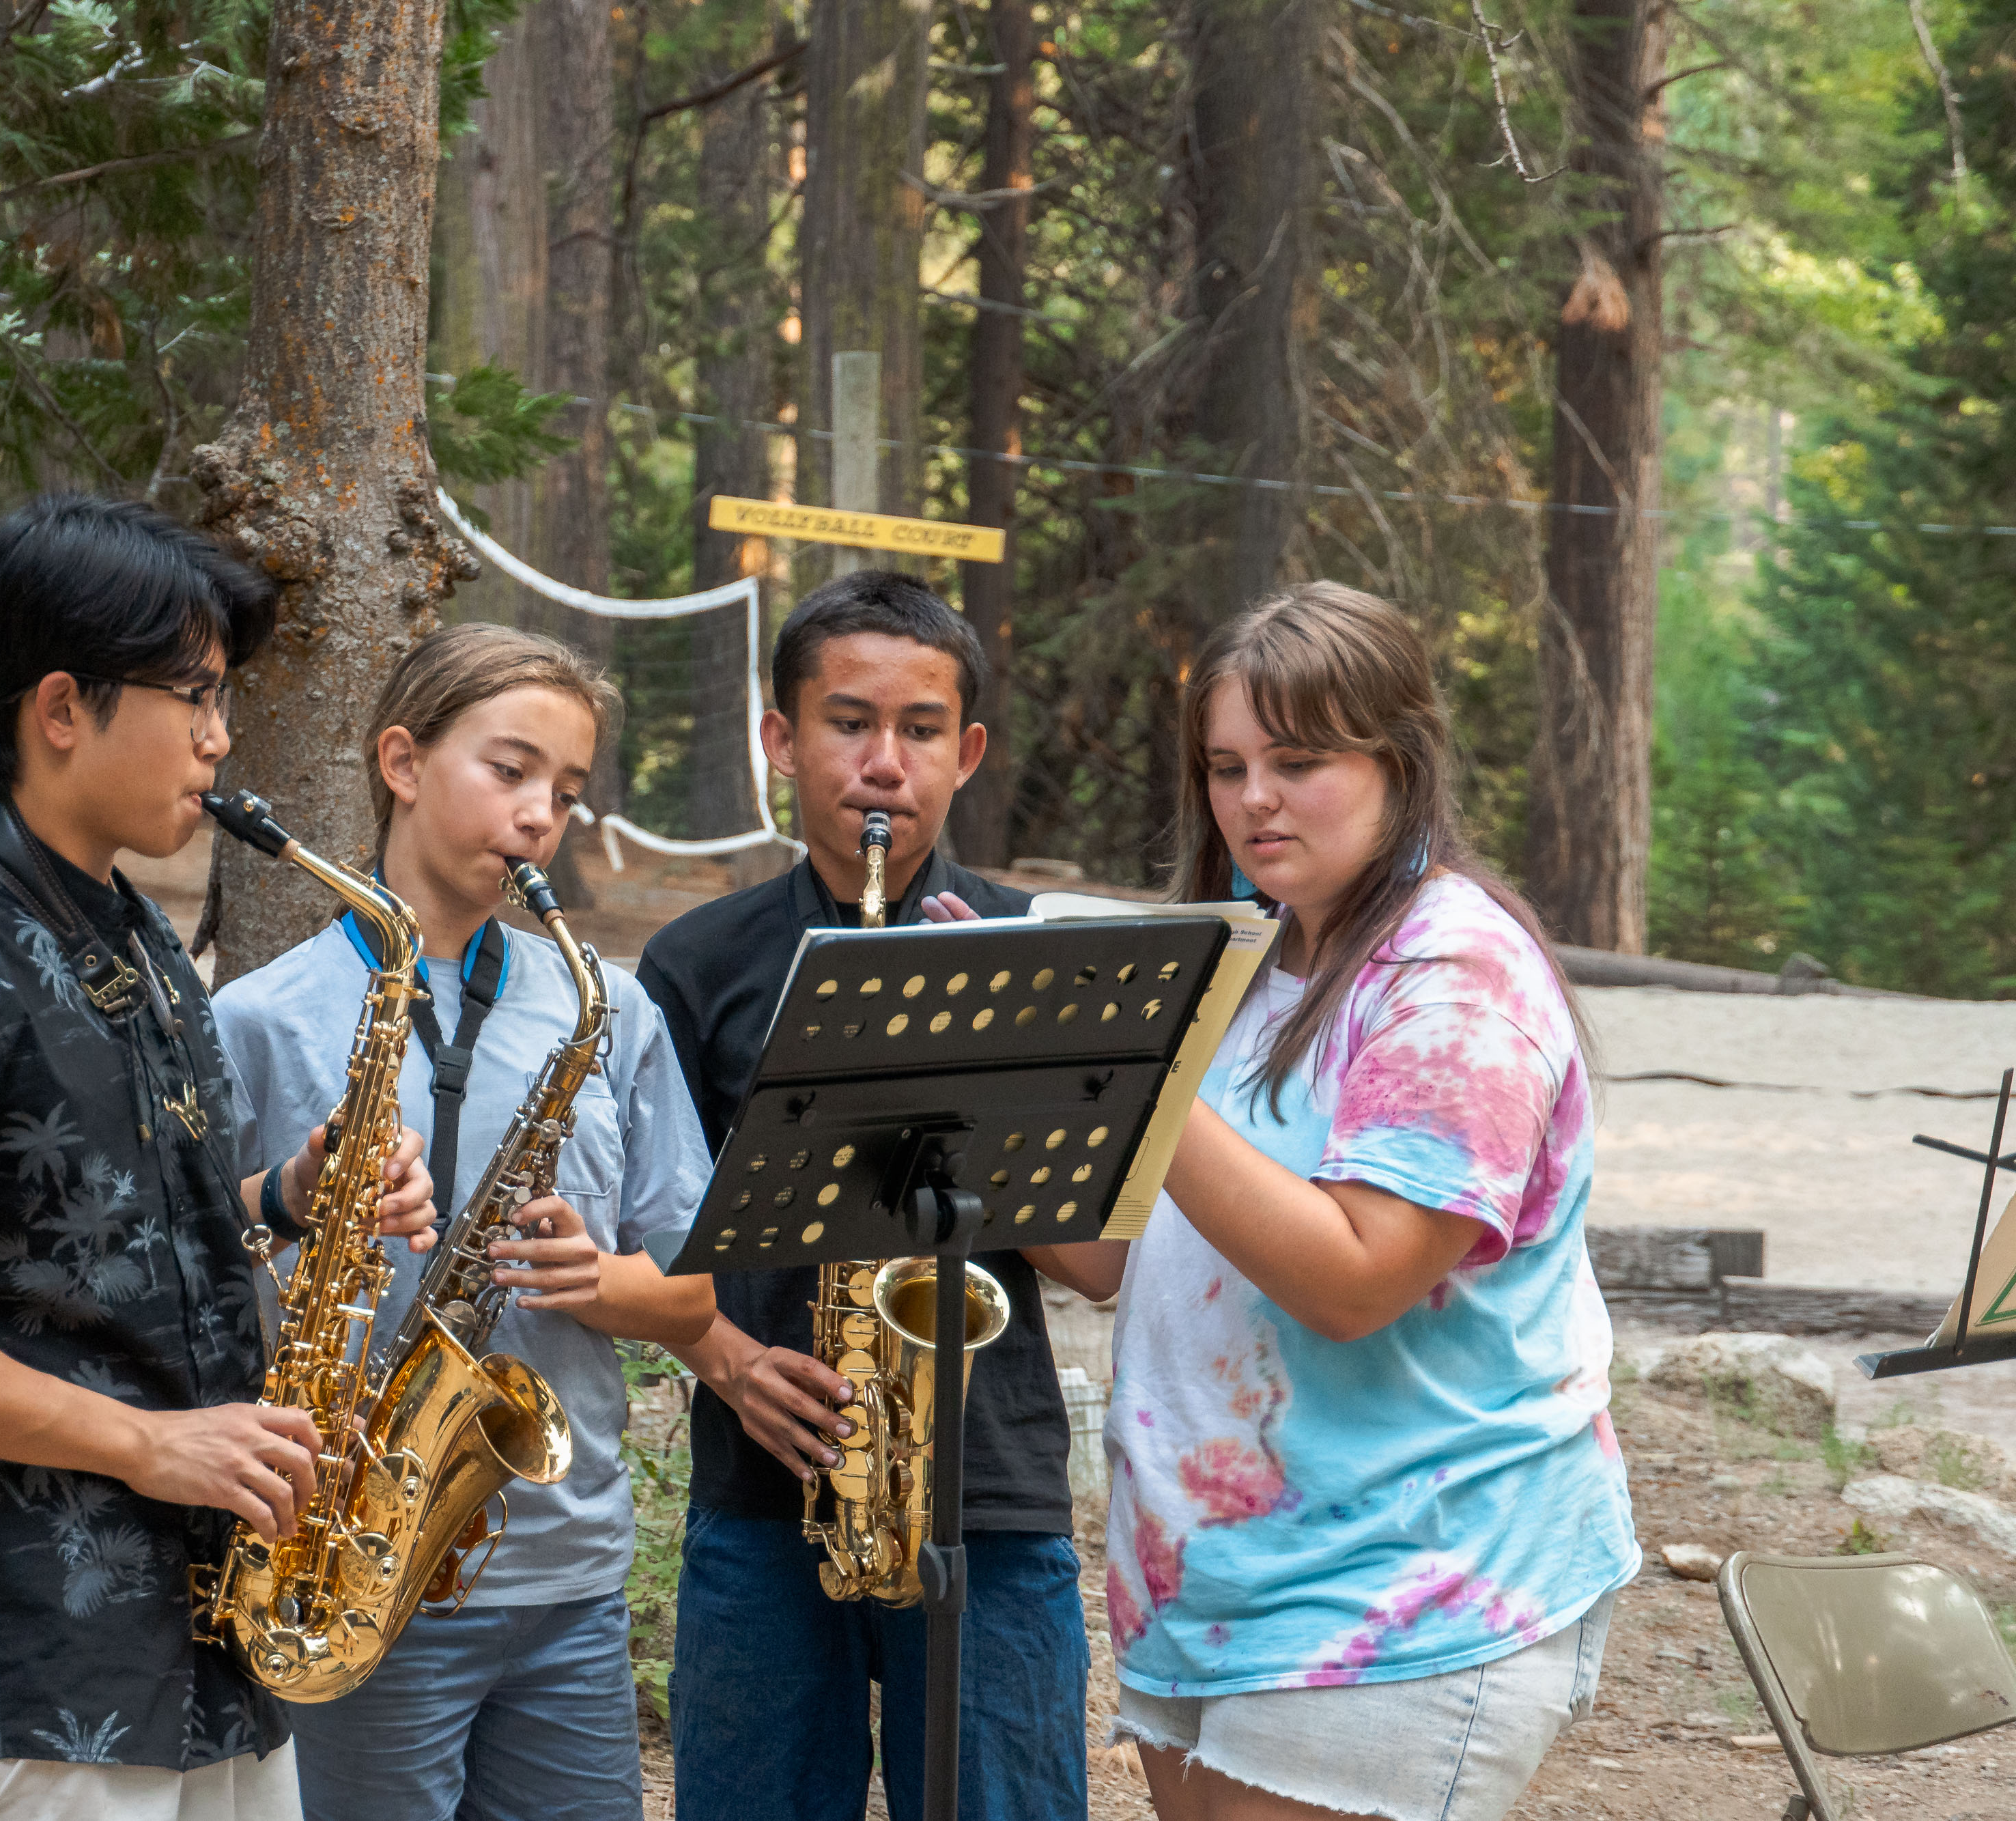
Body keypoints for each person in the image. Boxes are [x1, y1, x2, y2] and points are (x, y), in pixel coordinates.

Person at [0, 495, 439, 1821]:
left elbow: (80, 1245)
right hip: (43, 1651)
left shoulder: (131, 933)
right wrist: (148, 1443)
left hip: (208, 1620)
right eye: (193, 694)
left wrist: (288, 1196)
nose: (220, 735)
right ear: (60, 709)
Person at [1096, 582, 1640, 1821]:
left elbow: (1356, 1280)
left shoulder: (1456, 974)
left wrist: (1134, 1068)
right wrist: (998, 1073)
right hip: (1211, 1595)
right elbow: (1101, 1258)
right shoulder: (1245, 950)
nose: (1255, 799)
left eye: (1298, 762)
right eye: (1226, 767)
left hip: (1404, 1594)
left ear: (1400, 762)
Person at [214, 622, 718, 1821]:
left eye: (568, 792)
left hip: (566, 1577)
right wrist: (296, 1200)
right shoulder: (259, 1017)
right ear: (402, 762)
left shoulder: (608, 1011)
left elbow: (695, 1291)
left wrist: (605, 1283)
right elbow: (186, 1268)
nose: (541, 815)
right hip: (345, 1561)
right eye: (510, 770)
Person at [640, 571, 1109, 1821]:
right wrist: (732, 1363)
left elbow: (1102, 1265)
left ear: (968, 754)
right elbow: (646, 1238)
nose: (884, 764)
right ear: (781, 740)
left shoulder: (1033, 944)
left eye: (920, 730)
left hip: (987, 1493)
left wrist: (985, 1075)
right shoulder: (696, 963)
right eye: (848, 724)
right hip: (763, 1486)